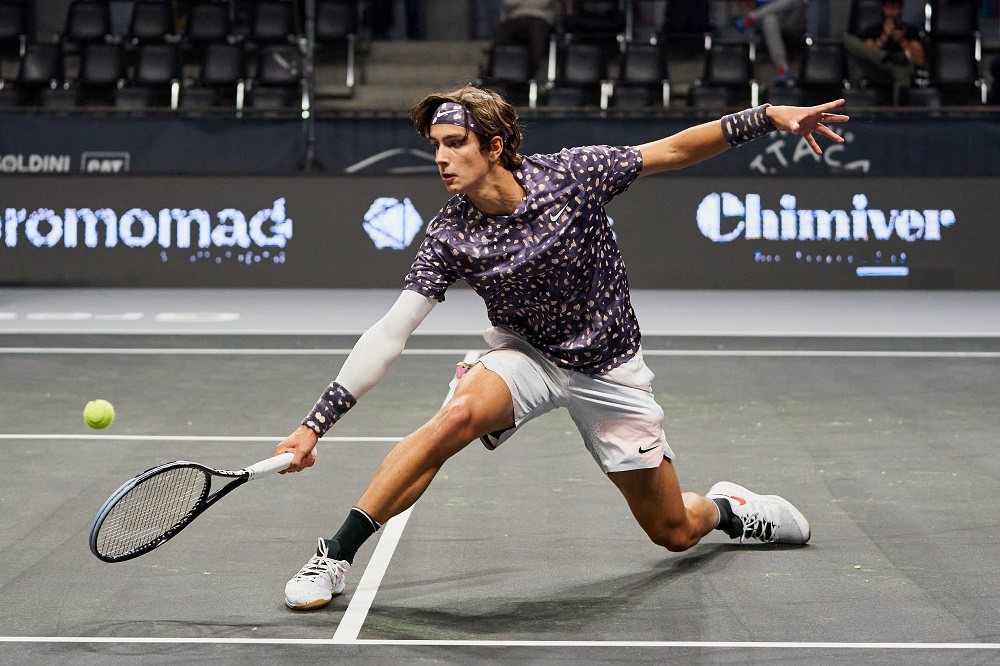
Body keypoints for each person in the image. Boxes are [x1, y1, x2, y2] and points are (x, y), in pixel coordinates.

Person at [276, 86, 849, 611]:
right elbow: (391, 331)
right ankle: (336, 553)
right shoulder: (451, 233)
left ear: (495, 146)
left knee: (672, 531)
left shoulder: (573, 175)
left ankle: (729, 509)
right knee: (457, 417)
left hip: (608, 368)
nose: (442, 159)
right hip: (527, 356)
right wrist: (315, 423)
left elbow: (672, 151)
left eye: (456, 143)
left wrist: (769, 116)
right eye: (435, 147)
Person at [843, 0, 927, 91]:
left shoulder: (910, 31)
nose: (891, 12)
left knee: (902, 71)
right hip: (878, 67)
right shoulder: (873, 30)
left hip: (901, 65)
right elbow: (867, 53)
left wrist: (902, 41)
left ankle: (901, 102)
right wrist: (884, 37)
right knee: (846, 38)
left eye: (894, 8)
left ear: (901, 9)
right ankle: (884, 57)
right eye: (888, 8)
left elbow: (920, 61)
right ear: (882, 8)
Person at [734, 0, 809, 85]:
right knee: (769, 19)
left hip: (791, 18)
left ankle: (751, 17)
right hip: (767, 17)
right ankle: (781, 68)